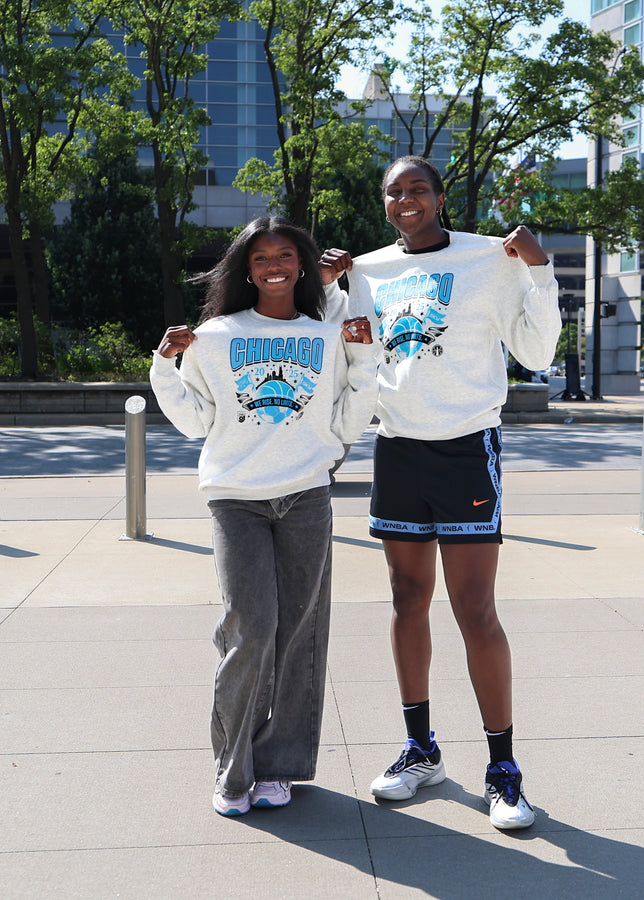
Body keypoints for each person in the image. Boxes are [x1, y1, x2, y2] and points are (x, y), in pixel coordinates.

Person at [320, 156, 561, 830]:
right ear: (384, 201)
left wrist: (539, 270)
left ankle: (504, 770)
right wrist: (324, 289)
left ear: (440, 197)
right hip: (397, 449)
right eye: (395, 191)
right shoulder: (367, 272)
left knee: (475, 608)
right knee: (406, 601)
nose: (406, 200)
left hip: (466, 450)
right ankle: (420, 750)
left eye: (418, 189)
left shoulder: (490, 258)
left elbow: (538, 353)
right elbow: (338, 350)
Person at [150, 216, 377, 817]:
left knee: (300, 632)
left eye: (283, 254)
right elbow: (196, 420)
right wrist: (162, 364)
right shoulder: (217, 335)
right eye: (259, 257)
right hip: (236, 499)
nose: (273, 264)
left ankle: (279, 766)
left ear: (301, 264)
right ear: (245, 270)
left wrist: (362, 357)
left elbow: (352, 412)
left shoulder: (326, 336)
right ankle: (233, 769)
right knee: (251, 625)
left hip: (306, 494)